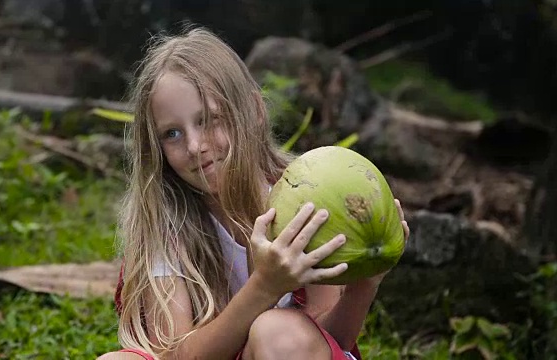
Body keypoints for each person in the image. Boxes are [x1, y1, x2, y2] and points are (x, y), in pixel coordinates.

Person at [98, 27, 410, 360]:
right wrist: (265, 286)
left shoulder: (304, 199)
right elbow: (177, 356)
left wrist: (365, 284)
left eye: (209, 119)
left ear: (254, 111)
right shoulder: (166, 225)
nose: (194, 146)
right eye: (172, 133)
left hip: (293, 351)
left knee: (276, 331)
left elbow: (334, 339)